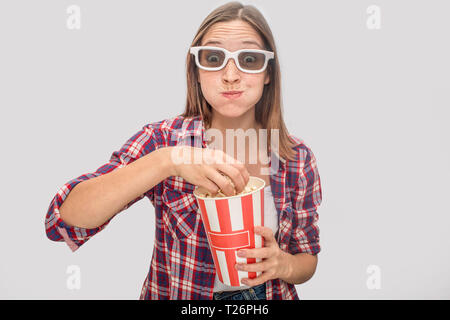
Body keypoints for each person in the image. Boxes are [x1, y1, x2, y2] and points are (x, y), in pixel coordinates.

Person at [45, 1, 323, 300]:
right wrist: (167, 161)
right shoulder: (163, 139)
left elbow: (306, 258)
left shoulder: (296, 157)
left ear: (268, 73)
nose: (231, 75)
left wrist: (284, 264)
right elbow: (63, 220)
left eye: (250, 59)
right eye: (214, 58)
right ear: (197, 71)